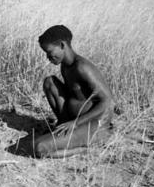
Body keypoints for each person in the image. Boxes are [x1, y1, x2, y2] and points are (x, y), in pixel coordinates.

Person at [34, 25, 115, 158]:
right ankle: (62, 127)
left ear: (62, 45)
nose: (48, 57)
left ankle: (85, 148)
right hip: (74, 120)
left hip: (93, 125)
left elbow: (108, 101)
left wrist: (76, 123)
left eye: (49, 52)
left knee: (40, 148)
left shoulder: (82, 67)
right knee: (50, 82)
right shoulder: (65, 66)